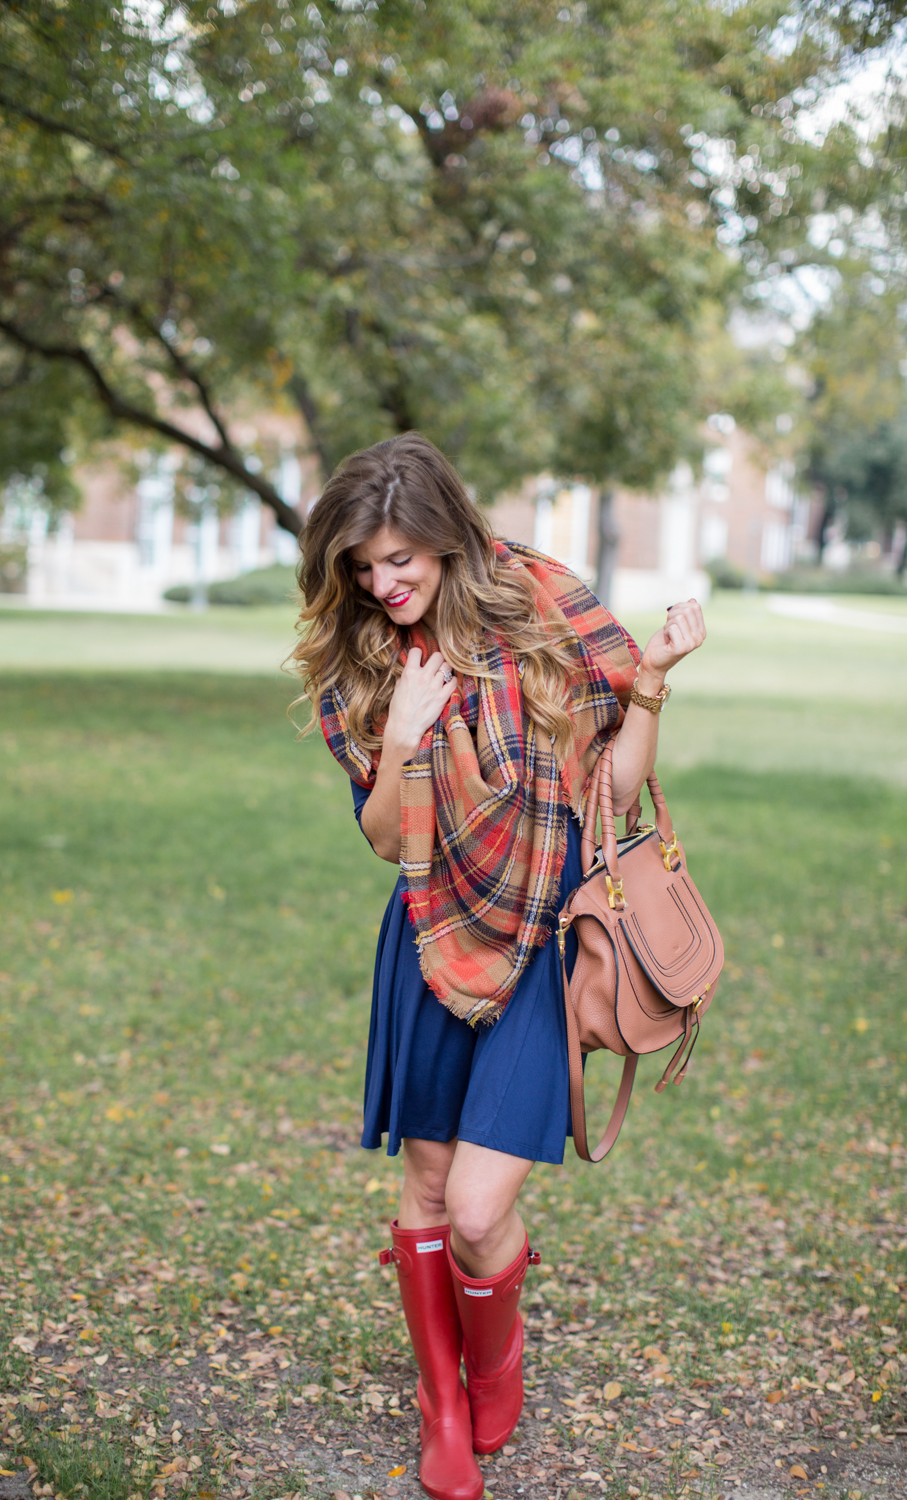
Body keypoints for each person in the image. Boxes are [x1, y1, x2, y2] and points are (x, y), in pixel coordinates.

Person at [293, 432, 705, 1500]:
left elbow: (612, 789)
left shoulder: (543, 604)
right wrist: (400, 741)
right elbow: (386, 839)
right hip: (431, 931)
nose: (383, 584)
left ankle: (500, 1348)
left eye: (401, 561)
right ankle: (441, 1407)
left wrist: (649, 683)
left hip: (540, 938)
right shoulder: (370, 662)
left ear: (445, 542)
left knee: (480, 1211)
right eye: (363, 567)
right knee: (427, 1192)